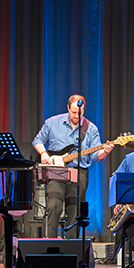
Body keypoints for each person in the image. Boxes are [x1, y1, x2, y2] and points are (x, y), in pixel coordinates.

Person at [33, 94, 114, 238]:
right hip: (56, 171)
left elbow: (95, 156)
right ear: (68, 108)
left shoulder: (91, 128)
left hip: (79, 171)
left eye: (79, 113)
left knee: (75, 209)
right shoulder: (53, 122)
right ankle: (49, 243)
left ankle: (71, 245)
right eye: (74, 112)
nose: (77, 116)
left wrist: (104, 152)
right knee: (53, 205)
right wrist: (44, 153)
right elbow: (37, 140)